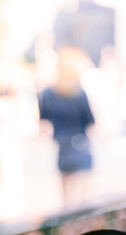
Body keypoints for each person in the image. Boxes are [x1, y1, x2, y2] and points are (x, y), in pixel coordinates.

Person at [38, 47, 95, 206]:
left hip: (61, 145)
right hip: (80, 144)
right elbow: (90, 120)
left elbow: (44, 119)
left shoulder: (48, 93)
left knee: (65, 199)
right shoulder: (79, 93)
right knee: (84, 199)